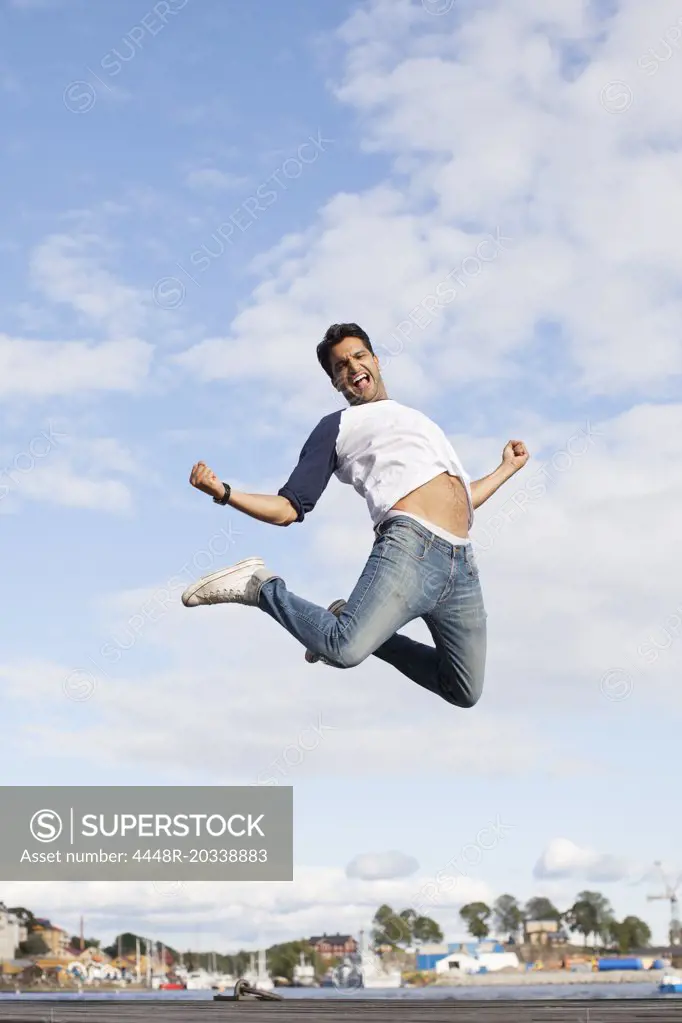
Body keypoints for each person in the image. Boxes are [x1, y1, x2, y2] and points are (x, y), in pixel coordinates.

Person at [182, 323, 529, 707]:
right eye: (340, 366)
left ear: (376, 361)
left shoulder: (421, 421)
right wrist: (224, 493)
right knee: (342, 648)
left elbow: (461, 499)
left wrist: (505, 470)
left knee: (463, 689)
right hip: (410, 549)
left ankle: (350, 617)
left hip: (461, 562)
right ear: (336, 383)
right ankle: (259, 586)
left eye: (359, 356)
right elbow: (288, 508)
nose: (352, 366)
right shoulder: (338, 426)